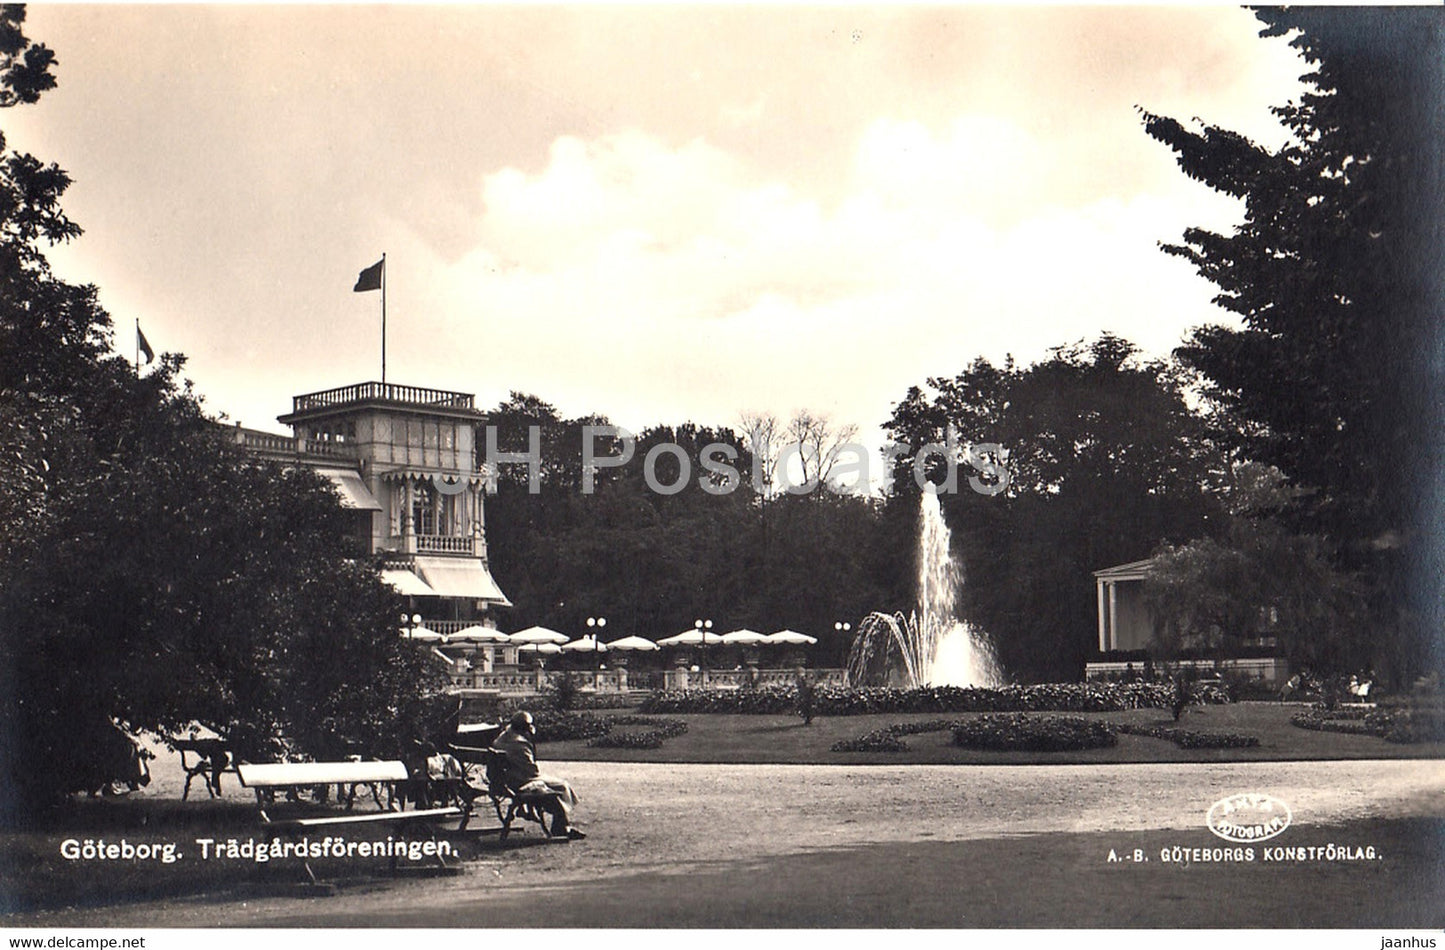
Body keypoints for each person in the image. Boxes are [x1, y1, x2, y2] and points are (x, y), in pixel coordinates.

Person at [489, 711, 585, 840]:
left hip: (504, 781)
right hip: (519, 782)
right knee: (561, 785)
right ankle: (561, 826)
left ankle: (556, 822)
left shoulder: (502, 737)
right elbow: (532, 771)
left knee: (552, 785)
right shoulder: (520, 745)